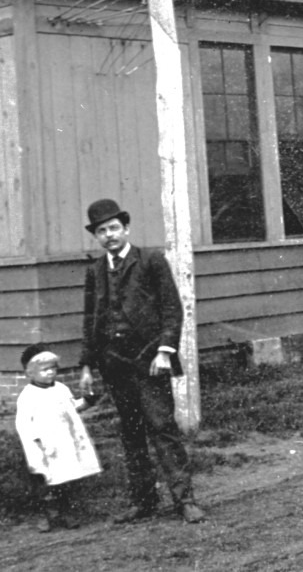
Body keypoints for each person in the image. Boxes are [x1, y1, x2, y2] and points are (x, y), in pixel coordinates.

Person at [76, 197, 206, 524]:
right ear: (96, 236)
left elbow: (171, 309)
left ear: (126, 228)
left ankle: (185, 500)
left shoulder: (150, 261)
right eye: (102, 231)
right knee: (131, 433)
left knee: (162, 428)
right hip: (114, 363)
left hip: (150, 360)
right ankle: (143, 501)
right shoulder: (95, 272)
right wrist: (87, 364)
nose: (109, 235)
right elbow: (91, 318)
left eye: (115, 228)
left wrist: (164, 351)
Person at [14, 342, 101, 531]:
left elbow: (71, 408)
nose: (50, 373)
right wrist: (37, 442)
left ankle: (66, 512)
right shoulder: (28, 396)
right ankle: (47, 514)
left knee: (65, 478)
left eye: (53, 368)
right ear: (31, 372)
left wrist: (86, 402)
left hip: (64, 441)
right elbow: (24, 424)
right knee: (45, 480)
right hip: (43, 445)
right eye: (44, 370)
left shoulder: (61, 389)